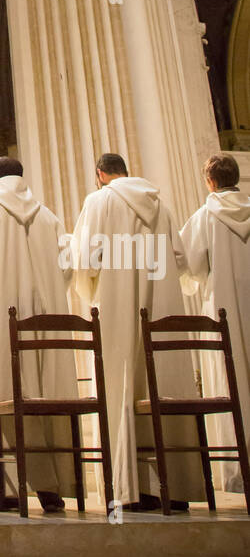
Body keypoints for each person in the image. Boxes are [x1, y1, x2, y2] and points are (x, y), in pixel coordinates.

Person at [72, 152, 205, 510]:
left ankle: (131, 490)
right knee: (163, 384)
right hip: (162, 307)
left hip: (119, 306)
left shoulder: (98, 201)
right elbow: (180, 259)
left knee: (122, 388)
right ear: (126, 172)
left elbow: (84, 259)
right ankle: (173, 487)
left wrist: (92, 290)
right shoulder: (159, 202)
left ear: (100, 174)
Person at [0, 157, 77, 514]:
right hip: (44, 319)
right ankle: (52, 488)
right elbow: (66, 267)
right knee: (44, 392)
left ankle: (2, 490)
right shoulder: (49, 218)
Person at [181, 154, 250, 493]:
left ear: (210, 181)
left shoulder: (205, 217)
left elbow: (190, 265)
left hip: (222, 309)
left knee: (229, 379)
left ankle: (236, 471)